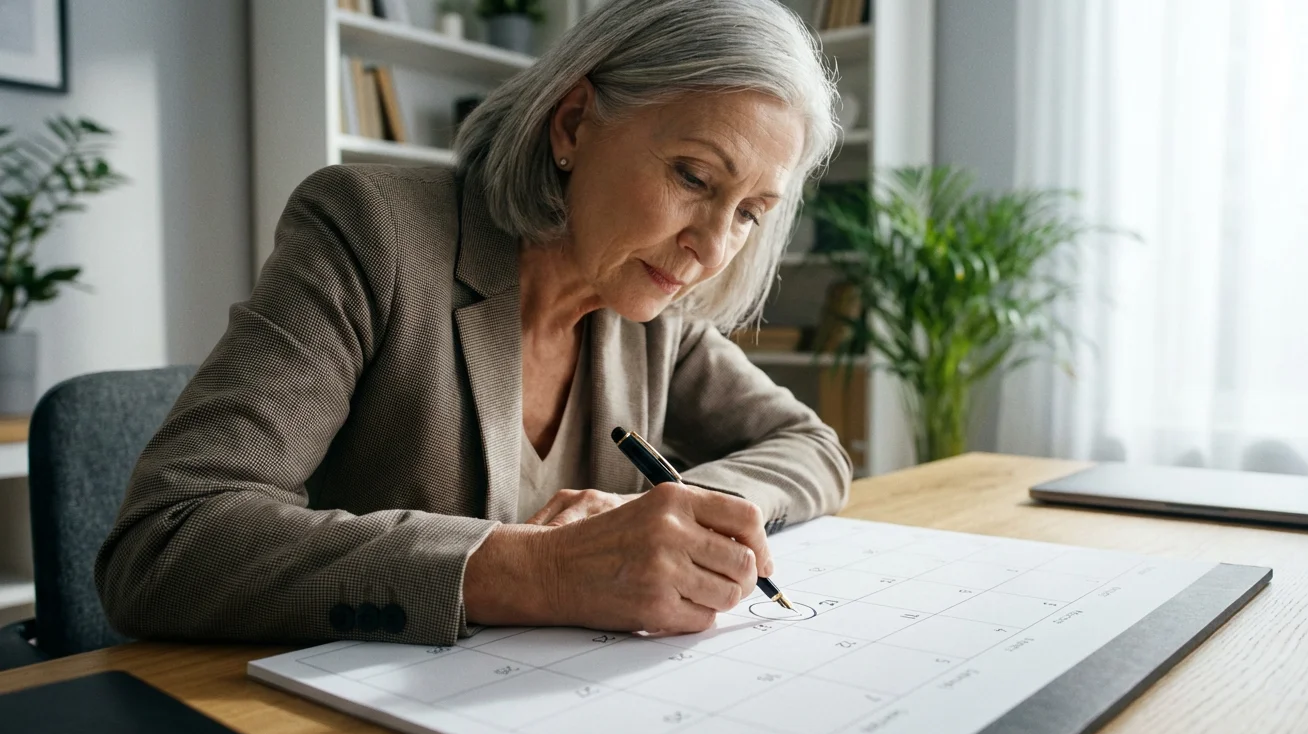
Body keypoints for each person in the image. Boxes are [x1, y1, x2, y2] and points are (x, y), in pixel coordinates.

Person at [95, 0, 850, 646]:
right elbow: (167, 542)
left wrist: (663, 514)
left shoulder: (652, 308)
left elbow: (813, 447)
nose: (713, 248)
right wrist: (543, 571)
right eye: (693, 177)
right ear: (573, 123)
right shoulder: (371, 231)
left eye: (750, 213)